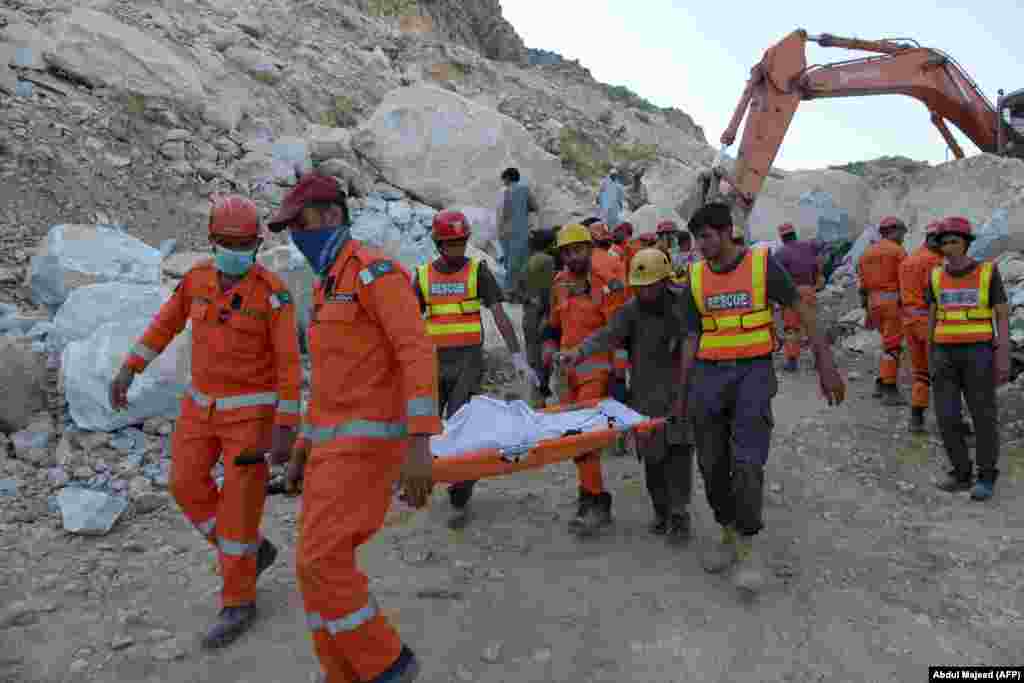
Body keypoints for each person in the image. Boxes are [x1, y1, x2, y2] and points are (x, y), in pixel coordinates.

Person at [267, 173, 440, 683]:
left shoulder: (374, 273)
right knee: (311, 566)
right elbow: (328, 381)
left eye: (299, 223)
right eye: (288, 227)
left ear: (331, 216)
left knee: (323, 561)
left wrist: (420, 444)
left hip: (368, 451)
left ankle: (388, 666)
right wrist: (302, 445)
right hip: (329, 452)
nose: (294, 235)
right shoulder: (328, 287)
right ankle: (340, 671)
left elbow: (416, 351)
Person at [109, 194, 301, 648]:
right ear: (211, 241)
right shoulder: (196, 280)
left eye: (245, 244)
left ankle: (239, 601)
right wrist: (128, 368)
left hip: (251, 420)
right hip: (200, 410)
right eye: (227, 243)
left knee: (237, 514)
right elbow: (165, 324)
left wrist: (286, 427)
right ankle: (251, 553)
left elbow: (290, 365)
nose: (237, 251)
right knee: (184, 485)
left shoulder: (274, 295)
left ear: (257, 244)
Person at [677, 202, 845, 595]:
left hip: (752, 374)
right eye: (697, 238)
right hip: (708, 378)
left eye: (707, 236)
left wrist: (824, 362)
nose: (701, 245)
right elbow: (690, 337)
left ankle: (748, 548)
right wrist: (682, 393)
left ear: (726, 231)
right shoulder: (696, 276)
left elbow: (802, 309)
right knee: (712, 464)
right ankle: (728, 531)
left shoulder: (761, 266)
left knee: (748, 463)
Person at [560, 248, 695, 542]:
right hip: (645, 396)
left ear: (664, 281)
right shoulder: (631, 311)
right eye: (640, 286)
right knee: (653, 459)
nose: (645, 292)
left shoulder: (683, 305)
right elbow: (607, 335)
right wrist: (579, 352)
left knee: (680, 455)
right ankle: (662, 511)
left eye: (651, 285)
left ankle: (679, 514)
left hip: (680, 392)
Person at [414, 210, 538, 527]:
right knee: (426, 427)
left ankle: (461, 488)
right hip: (433, 361)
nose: (456, 250)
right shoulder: (423, 276)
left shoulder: (478, 272)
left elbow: (499, 315)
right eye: (449, 244)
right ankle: (425, 479)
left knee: (462, 426)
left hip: (468, 361)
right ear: (438, 244)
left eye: (460, 243)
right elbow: (409, 325)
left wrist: (518, 358)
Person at [540, 224, 629, 536]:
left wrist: (619, 376)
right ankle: (590, 494)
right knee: (573, 439)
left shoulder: (606, 284)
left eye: (577, 249)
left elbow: (618, 331)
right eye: (566, 251)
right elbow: (553, 325)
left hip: (596, 369)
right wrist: (548, 351)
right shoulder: (559, 283)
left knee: (584, 437)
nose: (571, 256)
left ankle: (594, 501)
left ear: (589, 249)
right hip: (566, 373)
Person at [927, 216, 1010, 501]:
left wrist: (1003, 355)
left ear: (966, 244)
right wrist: (930, 355)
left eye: (954, 241)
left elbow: (1001, 314)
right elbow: (932, 316)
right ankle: (961, 473)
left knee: (983, 416)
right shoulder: (935, 275)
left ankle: (986, 476)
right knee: (947, 417)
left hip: (979, 353)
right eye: (944, 242)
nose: (949, 247)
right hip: (943, 354)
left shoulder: (988, 272)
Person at [898, 220, 945, 432]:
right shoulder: (934, 262)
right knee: (944, 373)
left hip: (908, 321)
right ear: (934, 239)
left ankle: (916, 417)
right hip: (928, 321)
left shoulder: (909, 259)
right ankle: (953, 424)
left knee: (920, 372)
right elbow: (934, 295)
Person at [858, 216, 909, 405]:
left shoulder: (867, 253)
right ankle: (889, 389)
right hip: (892, 305)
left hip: (874, 304)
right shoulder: (898, 252)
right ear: (894, 231)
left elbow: (862, 285)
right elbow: (906, 280)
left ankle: (881, 381)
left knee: (887, 343)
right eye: (902, 232)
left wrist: (866, 308)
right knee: (893, 346)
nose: (904, 236)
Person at [774, 222, 823, 372]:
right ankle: (819, 360)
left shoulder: (781, 253)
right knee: (811, 327)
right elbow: (817, 268)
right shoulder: (808, 247)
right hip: (808, 290)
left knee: (791, 329)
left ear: (782, 237)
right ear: (794, 234)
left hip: (791, 293)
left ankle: (792, 362)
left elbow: (777, 276)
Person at [524, 227, 560, 408]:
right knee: (544, 356)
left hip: (528, 314)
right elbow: (548, 291)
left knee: (533, 356)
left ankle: (536, 395)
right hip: (541, 315)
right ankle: (543, 395)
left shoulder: (530, 260)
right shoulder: (547, 261)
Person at [496, 167, 539, 299]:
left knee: (510, 264)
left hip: (507, 232)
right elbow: (535, 207)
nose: (503, 182)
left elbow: (502, 214)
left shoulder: (505, 192)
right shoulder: (526, 190)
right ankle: (522, 292)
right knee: (523, 263)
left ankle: (509, 292)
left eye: (504, 179)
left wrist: (500, 232)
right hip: (523, 232)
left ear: (508, 178)